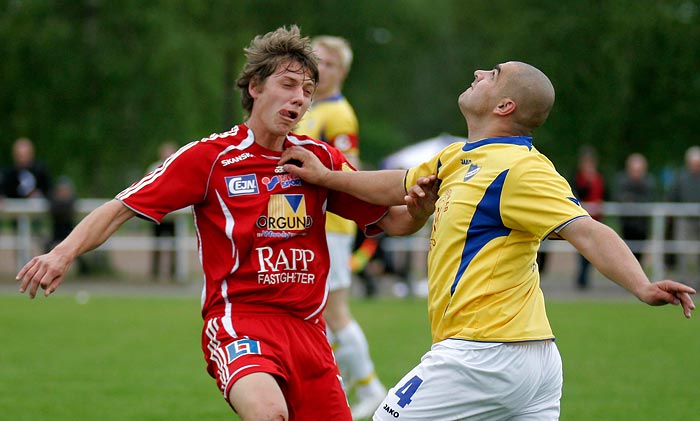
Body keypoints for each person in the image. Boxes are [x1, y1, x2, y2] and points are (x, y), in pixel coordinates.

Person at [15, 26, 438, 421]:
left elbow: (395, 223)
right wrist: (61, 252)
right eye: (288, 85)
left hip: (310, 331)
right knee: (269, 412)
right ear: (255, 87)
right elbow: (122, 207)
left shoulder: (319, 160)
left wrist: (420, 209)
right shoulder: (211, 158)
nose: (299, 98)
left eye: (307, 90)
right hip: (241, 320)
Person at [280, 60, 696, 420]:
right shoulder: (457, 156)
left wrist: (641, 285)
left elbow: (587, 229)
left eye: (493, 74)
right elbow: (394, 187)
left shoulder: (521, 168)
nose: (479, 72)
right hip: (525, 357)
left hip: (485, 352)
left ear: (504, 106)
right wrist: (327, 177)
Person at [295, 35, 386, 419]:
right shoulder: (309, 109)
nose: (321, 68)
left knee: (334, 310)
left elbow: (346, 169)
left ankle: (370, 387)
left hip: (330, 224)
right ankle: (337, 386)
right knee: (319, 312)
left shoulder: (338, 114)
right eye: (317, 61)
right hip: (307, 221)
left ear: (342, 71)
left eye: (330, 63)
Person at [571, 146, 605, 289]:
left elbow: (604, 194)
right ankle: (581, 279)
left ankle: (584, 278)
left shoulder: (599, 177)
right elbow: (578, 193)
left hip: (596, 218)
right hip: (582, 218)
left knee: (593, 250)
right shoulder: (579, 178)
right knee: (582, 249)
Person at [613, 153, 657, 262]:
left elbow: (649, 199)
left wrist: (632, 200)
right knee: (625, 255)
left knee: (639, 257)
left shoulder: (648, 182)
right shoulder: (622, 181)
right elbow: (619, 197)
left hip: (642, 226)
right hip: (626, 224)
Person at [667, 145, 700, 288]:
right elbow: (672, 195)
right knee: (681, 249)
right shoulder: (680, 177)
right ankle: (683, 278)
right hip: (684, 219)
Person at [148, 142, 178, 280]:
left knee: (175, 246)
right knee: (156, 245)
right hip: (157, 215)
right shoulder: (154, 168)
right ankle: (154, 272)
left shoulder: (180, 168)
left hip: (173, 216)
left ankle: (174, 272)